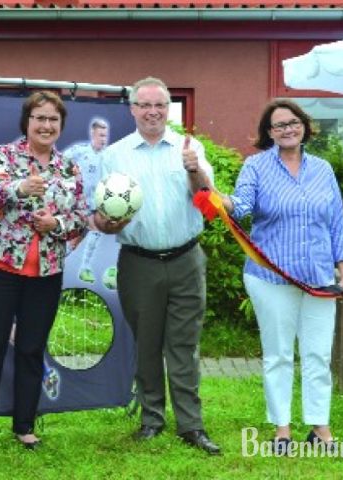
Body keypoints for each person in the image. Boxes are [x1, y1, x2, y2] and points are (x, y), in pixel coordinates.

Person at [217, 99, 343, 454]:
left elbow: (337, 223)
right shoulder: (256, 166)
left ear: (304, 126)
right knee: (278, 354)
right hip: (271, 278)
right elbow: (242, 206)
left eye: (293, 122)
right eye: (279, 126)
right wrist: (216, 197)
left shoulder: (323, 169)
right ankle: (282, 430)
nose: (287, 129)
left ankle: (320, 429)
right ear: (269, 133)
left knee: (317, 355)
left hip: (319, 279)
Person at [93, 77, 220, 455]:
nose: (152, 112)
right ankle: (152, 419)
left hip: (185, 259)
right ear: (132, 109)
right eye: (144, 105)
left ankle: (191, 425)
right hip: (139, 263)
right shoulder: (114, 155)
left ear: (169, 109)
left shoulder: (189, 147)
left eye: (160, 106)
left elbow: (208, 202)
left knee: (183, 345)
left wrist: (194, 169)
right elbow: (100, 217)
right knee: (147, 344)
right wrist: (109, 222)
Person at [0, 91, 88, 455]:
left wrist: (57, 222)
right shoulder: (4, 155)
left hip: (46, 272)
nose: (46, 125)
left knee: (32, 349)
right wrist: (20, 187)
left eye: (53, 120)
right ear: (27, 123)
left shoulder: (70, 168)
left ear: (61, 126)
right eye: (40, 118)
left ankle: (25, 427)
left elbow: (81, 217)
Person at [63, 118, 110, 286]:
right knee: (93, 230)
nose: (104, 139)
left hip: (95, 204)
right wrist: (70, 175)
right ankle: (84, 268)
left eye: (105, 135)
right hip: (77, 203)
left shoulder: (108, 156)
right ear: (93, 134)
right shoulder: (80, 151)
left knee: (76, 241)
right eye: (101, 135)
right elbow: (60, 161)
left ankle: (60, 261)